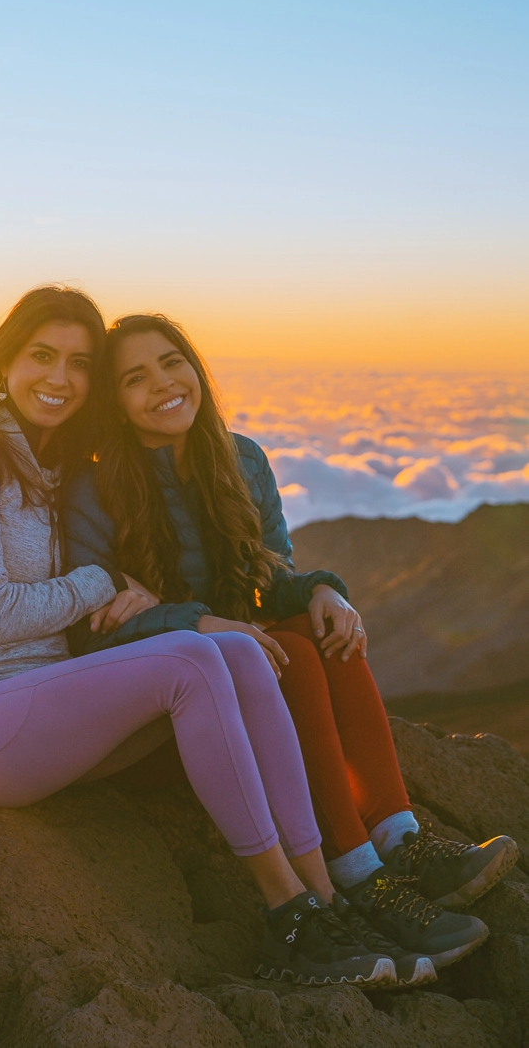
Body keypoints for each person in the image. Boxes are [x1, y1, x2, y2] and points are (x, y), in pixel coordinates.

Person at [0, 285, 402, 988]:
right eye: (42, 356)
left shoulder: (55, 464)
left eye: (80, 363)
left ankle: (328, 899)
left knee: (239, 647)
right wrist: (104, 583)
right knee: (190, 657)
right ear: (4, 358)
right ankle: (289, 915)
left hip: (44, 710)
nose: (60, 377)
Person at [64, 313, 516, 977]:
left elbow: (267, 579)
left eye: (172, 361)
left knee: (321, 635)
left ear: (195, 366)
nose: (163, 383)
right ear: (116, 402)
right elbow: (91, 629)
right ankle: (358, 871)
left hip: (245, 660)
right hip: (174, 694)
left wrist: (321, 592)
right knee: (291, 655)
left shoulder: (241, 457)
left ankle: (400, 838)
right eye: (136, 378)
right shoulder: (95, 486)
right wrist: (199, 622)